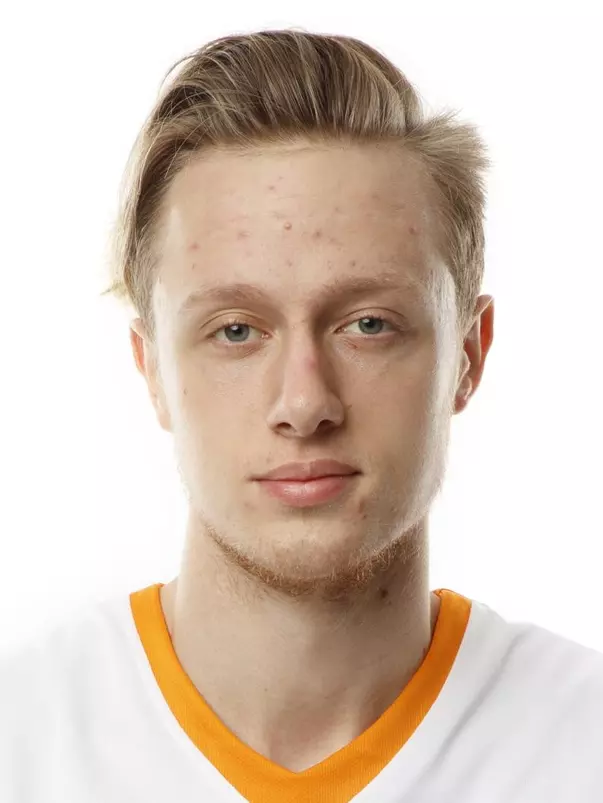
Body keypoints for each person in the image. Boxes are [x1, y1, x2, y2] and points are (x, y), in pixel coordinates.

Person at [1, 28, 601, 803]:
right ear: (151, 370)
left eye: (368, 324)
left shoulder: (583, 746)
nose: (305, 403)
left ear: (468, 354)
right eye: (236, 330)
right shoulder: (22, 747)